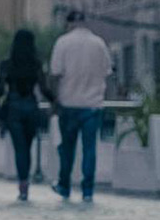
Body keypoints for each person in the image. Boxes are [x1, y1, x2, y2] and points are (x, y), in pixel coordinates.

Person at [48, 11, 112, 202]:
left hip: (68, 103)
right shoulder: (99, 43)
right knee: (89, 149)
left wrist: (54, 100)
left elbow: (55, 73)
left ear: (69, 24)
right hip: (93, 104)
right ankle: (87, 190)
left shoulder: (62, 43)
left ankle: (64, 185)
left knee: (67, 148)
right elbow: (107, 71)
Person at [0, 29, 56, 201]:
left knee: (19, 148)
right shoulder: (36, 64)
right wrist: (55, 101)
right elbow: (43, 88)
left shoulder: (7, 65)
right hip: (31, 106)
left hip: (13, 107)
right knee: (28, 147)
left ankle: (22, 184)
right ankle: (26, 181)